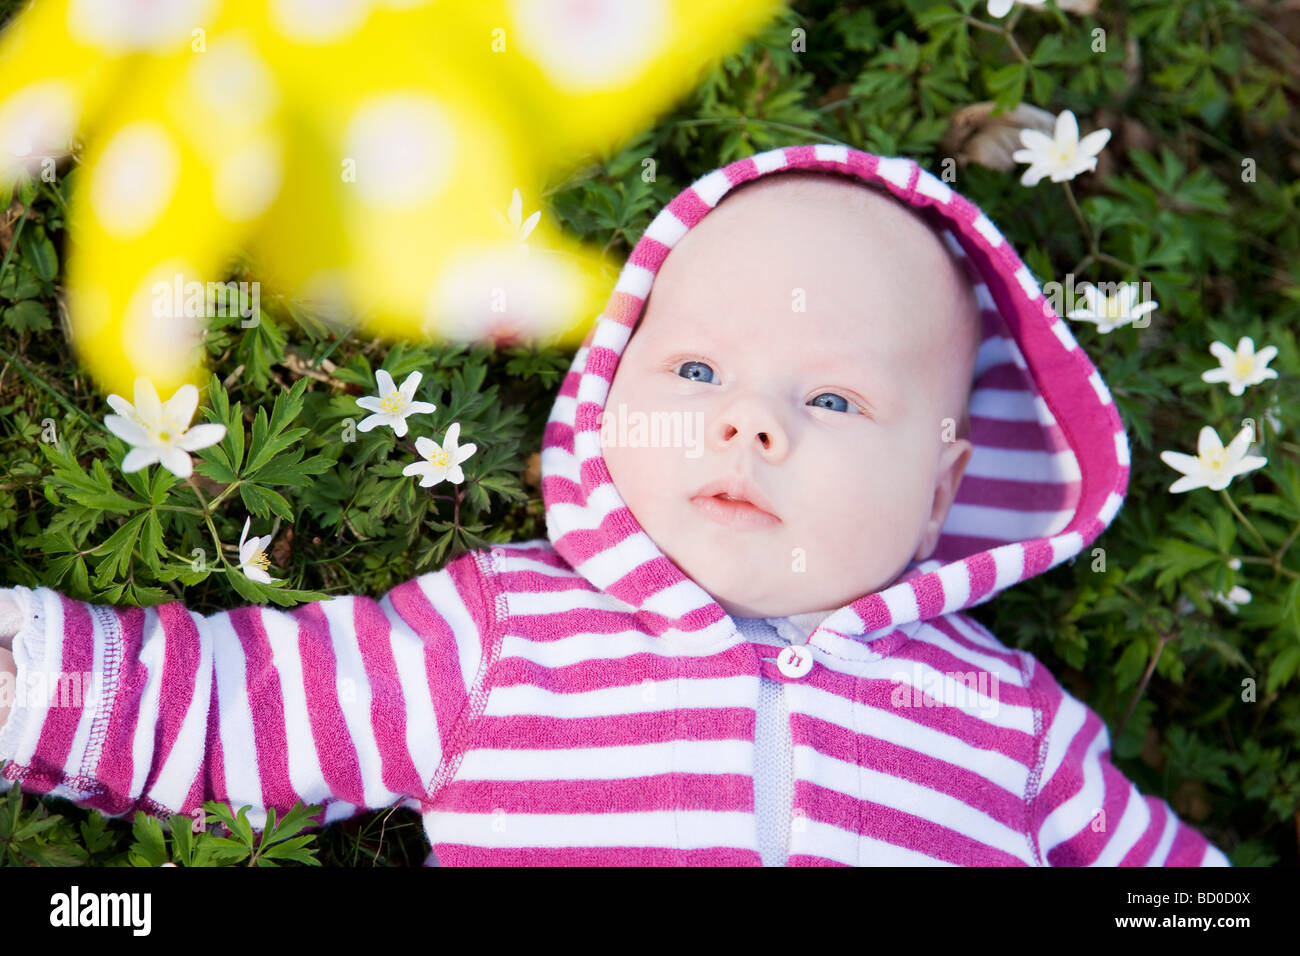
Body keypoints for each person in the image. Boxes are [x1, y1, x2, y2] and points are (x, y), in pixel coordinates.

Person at [0, 144, 1230, 866]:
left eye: (840, 401)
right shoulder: (507, 635)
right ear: (607, 392)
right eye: (696, 372)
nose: (752, 423)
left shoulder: (1009, 722)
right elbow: (241, 708)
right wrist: (31, 672)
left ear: (943, 490)